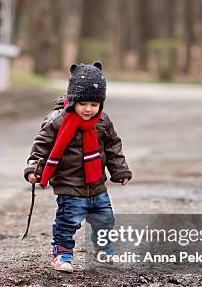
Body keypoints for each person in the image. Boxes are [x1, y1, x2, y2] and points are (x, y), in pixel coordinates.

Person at [24, 62, 132, 273]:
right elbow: (41, 147)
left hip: (97, 184)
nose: (89, 109)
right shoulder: (57, 120)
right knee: (68, 222)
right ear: (73, 100)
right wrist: (34, 169)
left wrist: (120, 170)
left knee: (105, 219)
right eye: (83, 103)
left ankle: (102, 248)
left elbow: (113, 147)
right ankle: (62, 254)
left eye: (94, 104)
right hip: (69, 185)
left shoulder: (102, 121)